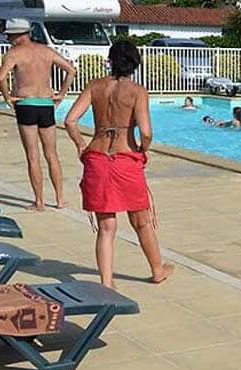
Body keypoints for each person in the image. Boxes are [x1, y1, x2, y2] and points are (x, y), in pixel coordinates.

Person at [64, 40, 174, 289]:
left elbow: (70, 121)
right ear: (135, 63)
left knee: (106, 225)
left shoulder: (95, 86)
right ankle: (157, 270)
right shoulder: (137, 91)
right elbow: (146, 132)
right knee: (141, 220)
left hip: (97, 156)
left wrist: (82, 146)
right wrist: (143, 151)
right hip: (125, 158)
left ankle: (106, 281)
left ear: (111, 60)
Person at [0, 18, 76, 210]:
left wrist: (8, 98)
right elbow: (71, 70)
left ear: (17, 35)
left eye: (9, 36)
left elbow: (1, 77)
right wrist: (61, 94)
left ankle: (39, 202)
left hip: (26, 104)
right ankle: (59, 199)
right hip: (46, 104)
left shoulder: (14, 53)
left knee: (33, 156)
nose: (9, 39)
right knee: (52, 154)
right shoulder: (46, 51)